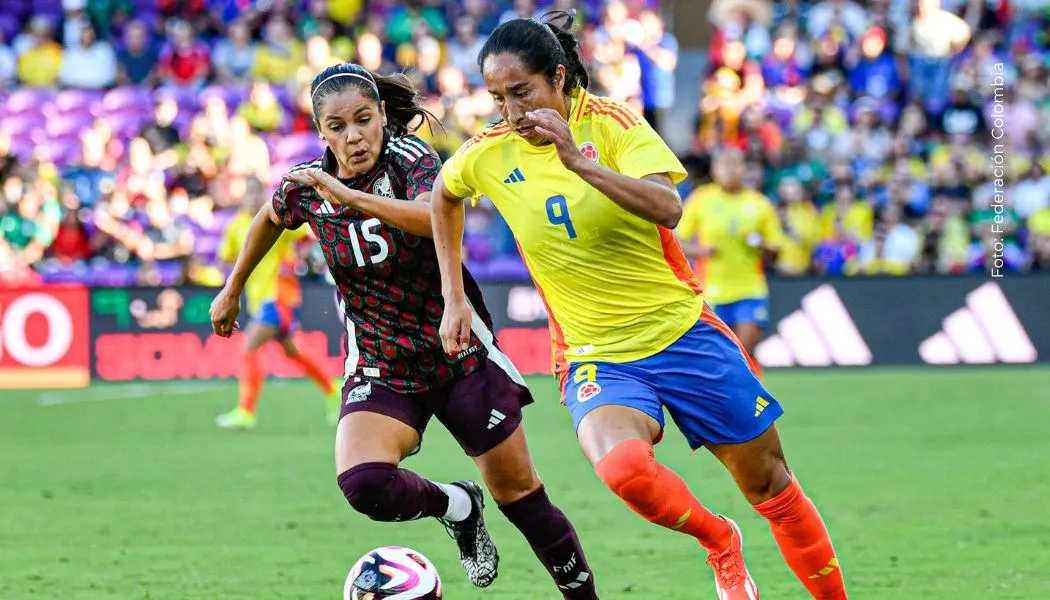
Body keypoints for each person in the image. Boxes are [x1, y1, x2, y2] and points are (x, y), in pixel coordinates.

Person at [430, 13, 847, 600]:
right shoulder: (488, 152)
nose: (513, 113)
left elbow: (667, 206)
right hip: (596, 355)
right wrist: (454, 298)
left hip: (682, 334)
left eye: (522, 93)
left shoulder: (615, 124)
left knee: (771, 487)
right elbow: (443, 198)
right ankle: (720, 541)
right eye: (499, 98)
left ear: (559, 79)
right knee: (623, 470)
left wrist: (578, 161)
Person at [209, 63, 598, 599]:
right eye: (338, 127)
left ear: (383, 117)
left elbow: (434, 214)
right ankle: (456, 505)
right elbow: (271, 217)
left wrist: (349, 198)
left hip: (458, 352)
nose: (354, 136)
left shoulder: (411, 159)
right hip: (382, 364)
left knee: (521, 497)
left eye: (364, 120)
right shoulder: (308, 185)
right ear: (322, 132)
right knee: (365, 484)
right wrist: (232, 288)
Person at [214, 175, 340, 430]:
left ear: (262, 195)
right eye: (247, 194)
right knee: (293, 351)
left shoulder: (275, 219)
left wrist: (294, 262)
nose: (252, 198)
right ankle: (333, 388)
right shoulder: (236, 226)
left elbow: (307, 236)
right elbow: (224, 258)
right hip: (258, 298)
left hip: (279, 296)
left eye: (256, 193)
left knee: (248, 347)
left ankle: (246, 411)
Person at [676, 148, 785, 358]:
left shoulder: (758, 203)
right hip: (711, 289)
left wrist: (761, 245)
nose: (730, 171)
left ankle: (752, 391)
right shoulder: (702, 199)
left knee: (744, 353)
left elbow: (776, 250)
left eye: (735, 165)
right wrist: (700, 250)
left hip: (750, 289)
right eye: (724, 166)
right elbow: (677, 240)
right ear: (715, 170)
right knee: (717, 356)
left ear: (743, 169)